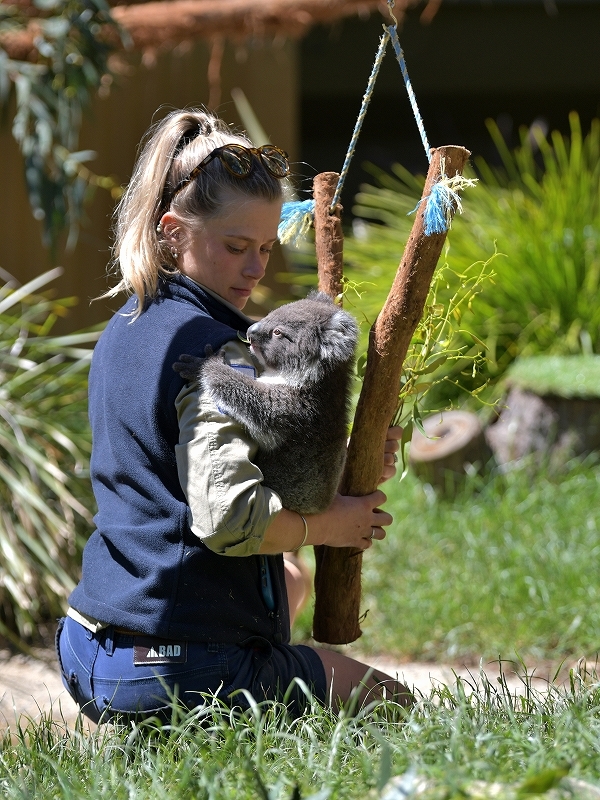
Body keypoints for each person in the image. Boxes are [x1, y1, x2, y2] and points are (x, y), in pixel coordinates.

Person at [55, 108, 413, 723]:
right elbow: (227, 518)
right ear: (173, 231)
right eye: (236, 247)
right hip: (175, 668)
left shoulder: (126, 326)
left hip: (89, 645)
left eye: (267, 248)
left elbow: (213, 460)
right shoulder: (212, 348)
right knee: (396, 706)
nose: (256, 269)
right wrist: (329, 524)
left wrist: (342, 456)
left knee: (291, 580)